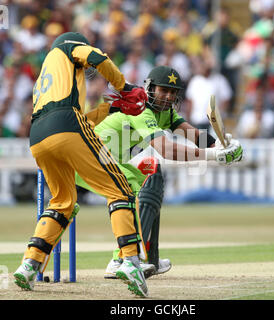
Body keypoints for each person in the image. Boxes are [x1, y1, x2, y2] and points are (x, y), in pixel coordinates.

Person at [13, 32, 150, 297]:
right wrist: (124, 87)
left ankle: (29, 265)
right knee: (120, 189)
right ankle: (131, 262)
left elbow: (80, 120)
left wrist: (111, 110)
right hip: (67, 125)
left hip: (38, 136)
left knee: (62, 202)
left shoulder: (46, 76)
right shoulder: (66, 46)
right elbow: (97, 57)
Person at [75, 66, 243, 279]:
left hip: (109, 159)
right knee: (138, 187)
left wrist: (221, 145)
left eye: (173, 92)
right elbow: (166, 149)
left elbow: (195, 136)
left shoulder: (166, 113)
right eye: (163, 90)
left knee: (151, 180)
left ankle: (148, 259)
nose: (168, 97)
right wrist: (212, 156)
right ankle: (121, 260)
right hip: (87, 156)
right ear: (149, 88)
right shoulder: (140, 108)